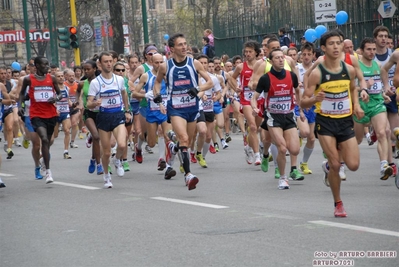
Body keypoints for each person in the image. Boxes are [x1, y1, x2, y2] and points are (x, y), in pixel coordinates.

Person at [301, 31, 364, 217]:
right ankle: (338, 203)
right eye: (331, 43)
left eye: (338, 43)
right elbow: (303, 102)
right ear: (323, 48)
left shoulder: (349, 70)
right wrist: (314, 99)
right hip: (326, 122)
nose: (336, 47)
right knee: (337, 165)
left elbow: (353, 89)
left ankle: (328, 167)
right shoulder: (317, 74)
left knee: (353, 165)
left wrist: (357, 105)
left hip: (345, 121)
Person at [153, 33, 213, 190]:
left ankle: (174, 146)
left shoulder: (195, 63)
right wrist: (157, 95)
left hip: (192, 108)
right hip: (176, 108)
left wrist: (198, 89)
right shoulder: (166, 66)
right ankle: (188, 175)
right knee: (185, 138)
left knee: (189, 141)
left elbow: (210, 82)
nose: (184, 47)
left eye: (185, 44)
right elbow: (157, 83)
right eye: (180, 45)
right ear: (172, 49)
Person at [252, 49, 301, 190]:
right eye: (277, 58)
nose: (281, 60)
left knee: (295, 149)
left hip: (289, 115)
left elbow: (297, 91)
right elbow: (254, 97)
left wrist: (300, 108)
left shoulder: (291, 76)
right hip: (273, 117)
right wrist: (255, 108)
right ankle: (283, 178)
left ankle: (276, 162)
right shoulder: (265, 79)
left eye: (282, 58)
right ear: (271, 61)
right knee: (282, 147)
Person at [87, 52, 132, 189]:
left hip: (118, 114)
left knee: (122, 145)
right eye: (105, 61)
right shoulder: (96, 83)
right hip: (104, 117)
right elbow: (88, 103)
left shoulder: (119, 79)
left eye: (110, 61)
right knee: (106, 152)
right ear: (99, 64)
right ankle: (106, 176)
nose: (108, 64)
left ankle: (117, 160)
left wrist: (127, 110)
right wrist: (95, 103)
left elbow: (124, 93)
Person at [353, 37, 392, 180]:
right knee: (356, 140)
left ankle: (384, 165)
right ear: (362, 50)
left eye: (374, 49)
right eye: (368, 49)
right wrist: (365, 87)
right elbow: (351, 88)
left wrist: (383, 94)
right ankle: (338, 162)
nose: (372, 52)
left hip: (376, 103)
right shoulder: (356, 67)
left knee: (382, 132)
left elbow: (378, 85)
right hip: (360, 105)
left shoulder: (376, 65)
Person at [19, 56, 63, 184]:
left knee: (48, 142)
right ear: (37, 66)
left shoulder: (52, 79)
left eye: (47, 65)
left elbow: (60, 93)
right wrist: (21, 106)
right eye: (44, 65)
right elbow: (22, 94)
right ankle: (48, 172)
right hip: (36, 114)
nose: (47, 67)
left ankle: (44, 161)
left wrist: (55, 99)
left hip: (50, 114)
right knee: (43, 138)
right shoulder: (29, 79)